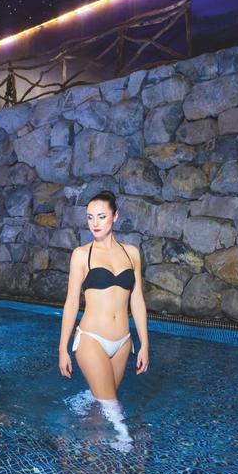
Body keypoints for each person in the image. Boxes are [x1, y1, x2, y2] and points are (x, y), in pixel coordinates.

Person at [58, 190, 149, 447]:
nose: (95, 223)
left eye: (101, 216)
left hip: (123, 342)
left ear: (115, 217)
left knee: (101, 403)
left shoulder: (132, 253)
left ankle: (88, 447)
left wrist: (144, 344)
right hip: (91, 339)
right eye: (90, 218)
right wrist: (62, 349)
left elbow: (138, 300)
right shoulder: (81, 255)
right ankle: (124, 438)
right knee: (110, 403)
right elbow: (72, 303)